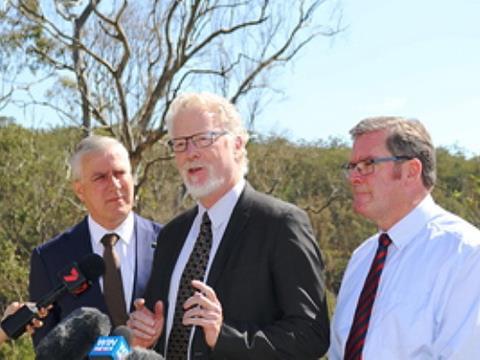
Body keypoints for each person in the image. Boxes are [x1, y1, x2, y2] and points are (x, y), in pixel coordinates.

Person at [127, 92, 330, 359]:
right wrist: (147, 336)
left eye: (202, 139)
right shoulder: (172, 235)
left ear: (236, 144)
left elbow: (311, 336)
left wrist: (223, 335)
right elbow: (161, 329)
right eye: (179, 144)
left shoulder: (280, 224)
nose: (190, 153)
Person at [329, 116, 480, 359]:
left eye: (368, 164)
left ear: (411, 171)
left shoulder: (466, 254)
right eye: (352, 167)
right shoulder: (362, 257)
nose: (355, 178)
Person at [29, 135, 162, 346]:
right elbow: (47, 349)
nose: (115, 184)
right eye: (100, 177)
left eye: (120, 173)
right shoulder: (49, 258)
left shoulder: (170, 242)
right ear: (80, 190)